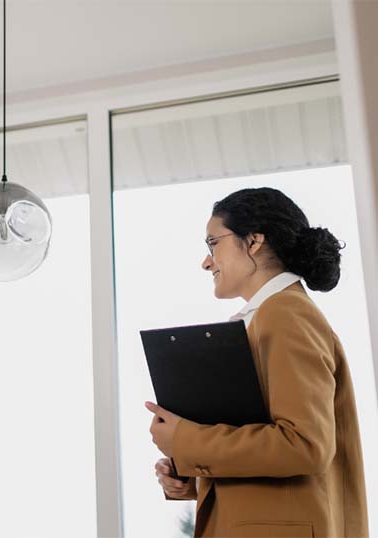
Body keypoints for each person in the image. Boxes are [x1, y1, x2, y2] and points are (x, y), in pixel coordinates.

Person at [147, 187, 368, 537]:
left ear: (253, 241)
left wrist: (187, 441)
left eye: (213, 244)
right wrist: (191, 474)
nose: (206, 262)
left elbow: (304, 445)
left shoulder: (285, 315)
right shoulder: (267, 317)